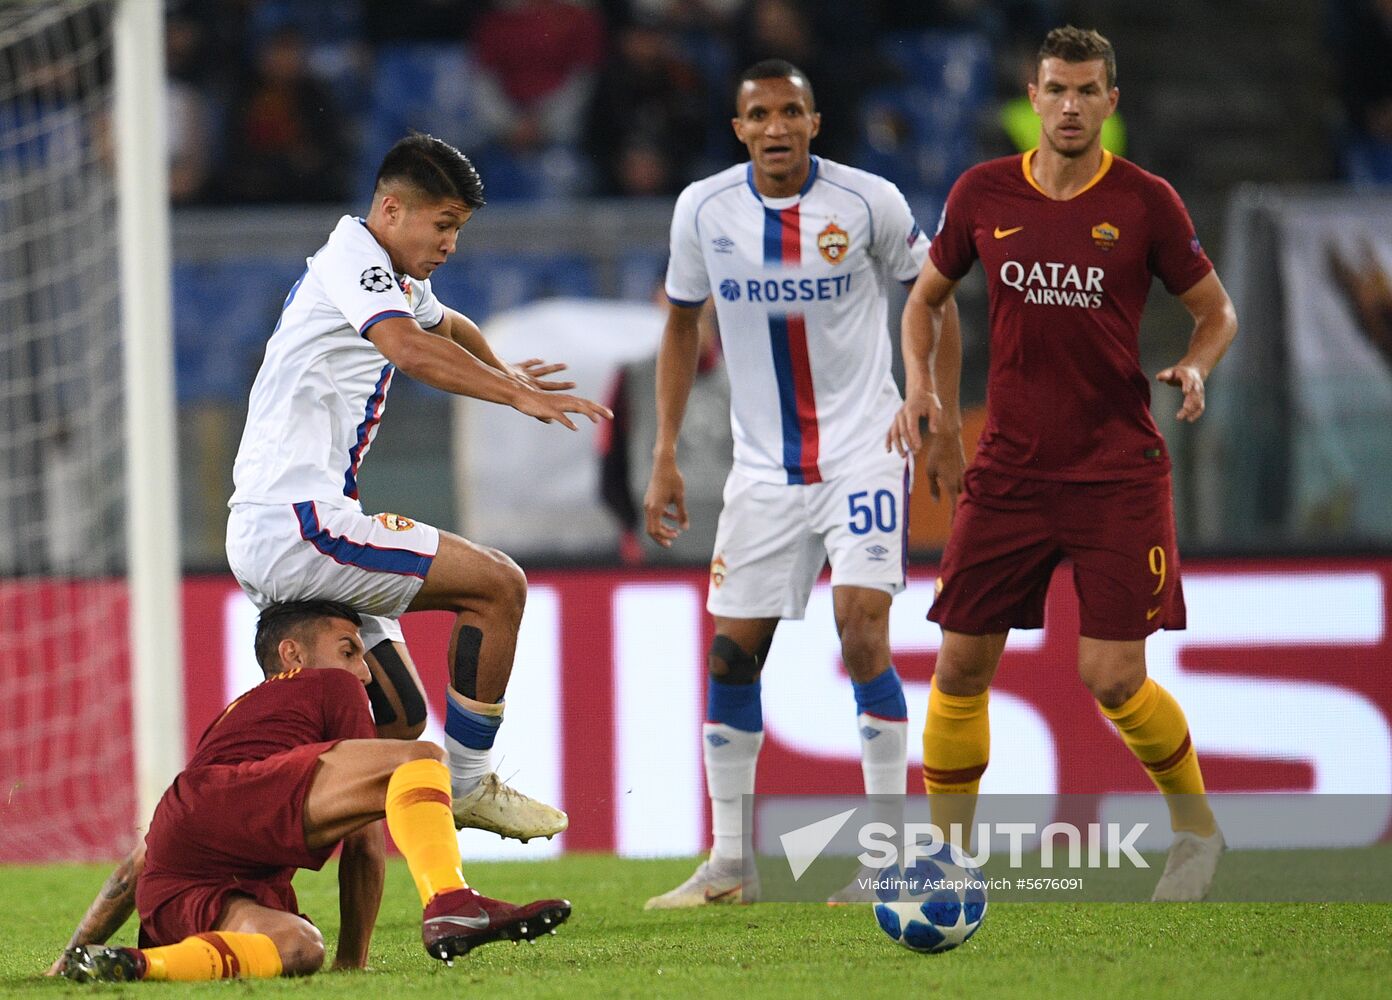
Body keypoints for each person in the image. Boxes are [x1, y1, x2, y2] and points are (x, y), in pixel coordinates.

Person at [886, 26, 1239, 902]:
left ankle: (1197, 834)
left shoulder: (1148, 203)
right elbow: (925, 301)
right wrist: (923, 394)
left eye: (1088, 91)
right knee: (962, 665)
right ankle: (947, 862)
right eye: (1056, 89)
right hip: (1009, 470)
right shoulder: (983, 192)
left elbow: (1217, 312)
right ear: (1032, 98)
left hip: (1117, 470)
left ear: (1111, 102)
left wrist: (1196, 365)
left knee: (1113, 678)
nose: (1071, 106)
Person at [224, 133, 611, 844]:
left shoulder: (392, 277)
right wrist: (509, 396)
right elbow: (407, 347)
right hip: (297, 523)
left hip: (290, 524)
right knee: (498, 586)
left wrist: (507, 373)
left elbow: (448, 324)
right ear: (393, 209)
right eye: (444, 226)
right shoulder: (350, 260)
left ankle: (244, 820)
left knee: (395, 722)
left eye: (458, 230)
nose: (451, 245)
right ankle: (468, 786)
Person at [643, 59, 956, 908]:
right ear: (738, 127)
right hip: (762, 471)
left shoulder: (868, 203)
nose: (776, 127)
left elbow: (935, 295)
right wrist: (665, 450)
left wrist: (938, 409)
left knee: (861, 632)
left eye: (791, 112)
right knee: (729, 655)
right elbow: (679, 324)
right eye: (759, 115)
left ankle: (888, 855)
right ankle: (730, 867)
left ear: (815, 123)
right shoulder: (703, 210)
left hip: (863, 452)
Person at [52, 600, 570, 982]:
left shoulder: (239, 718)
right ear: (291, 653)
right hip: (221, 825)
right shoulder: (329, 686)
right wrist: (355, 963)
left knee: (299, 947)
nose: (365, 673)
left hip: (178, 878)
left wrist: (67, 955)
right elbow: (366, 844)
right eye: (350, 650)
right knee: (423, 759)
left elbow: (135, 867)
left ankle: (132, 965)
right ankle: (451, 899)